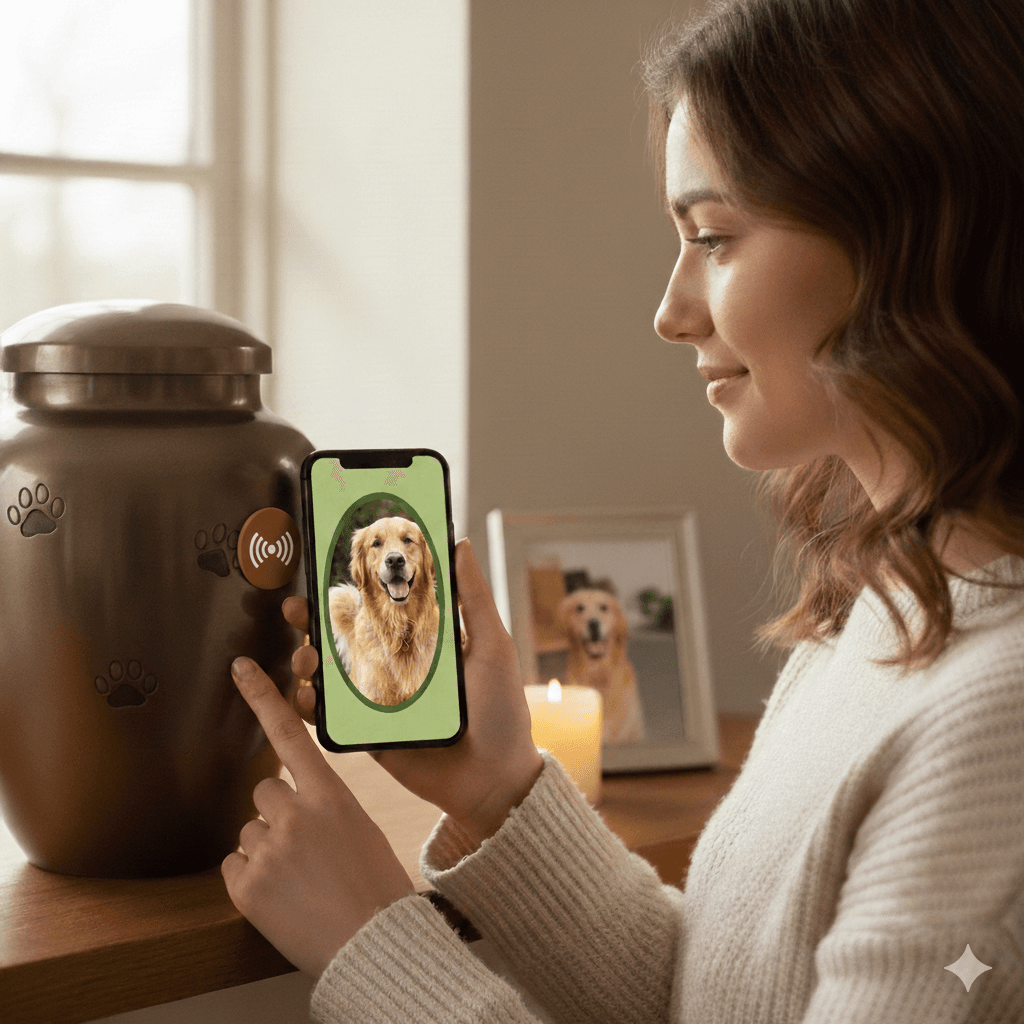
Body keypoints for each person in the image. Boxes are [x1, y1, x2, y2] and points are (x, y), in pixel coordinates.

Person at [221, 0, 1024, 1020]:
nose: (669, 312)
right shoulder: (886, 613)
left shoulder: (999, 727)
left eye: (714, 237)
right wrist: (499, 792)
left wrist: (376, 947)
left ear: (912, 235)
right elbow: (713, 999)